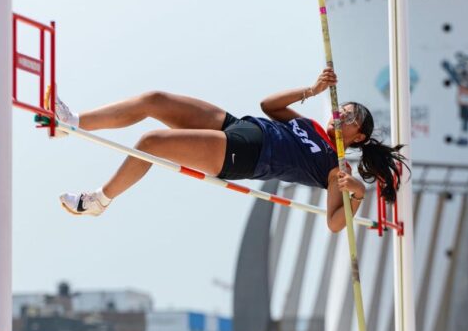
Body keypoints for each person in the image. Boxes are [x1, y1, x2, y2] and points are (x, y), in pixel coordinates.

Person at [52, 68, 405, 232]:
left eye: (352, 116)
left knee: (151, 143)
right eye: (346, 108)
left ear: (358, 137)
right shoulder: (312, 127)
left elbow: (333, 223)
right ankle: (74, 122)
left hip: (243, 156)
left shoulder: (335, 168)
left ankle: (98, 200)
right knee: (153, 99)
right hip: (238, 125)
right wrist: (311, 90)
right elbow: (269, 105)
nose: (344, 112)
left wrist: (357, 194)